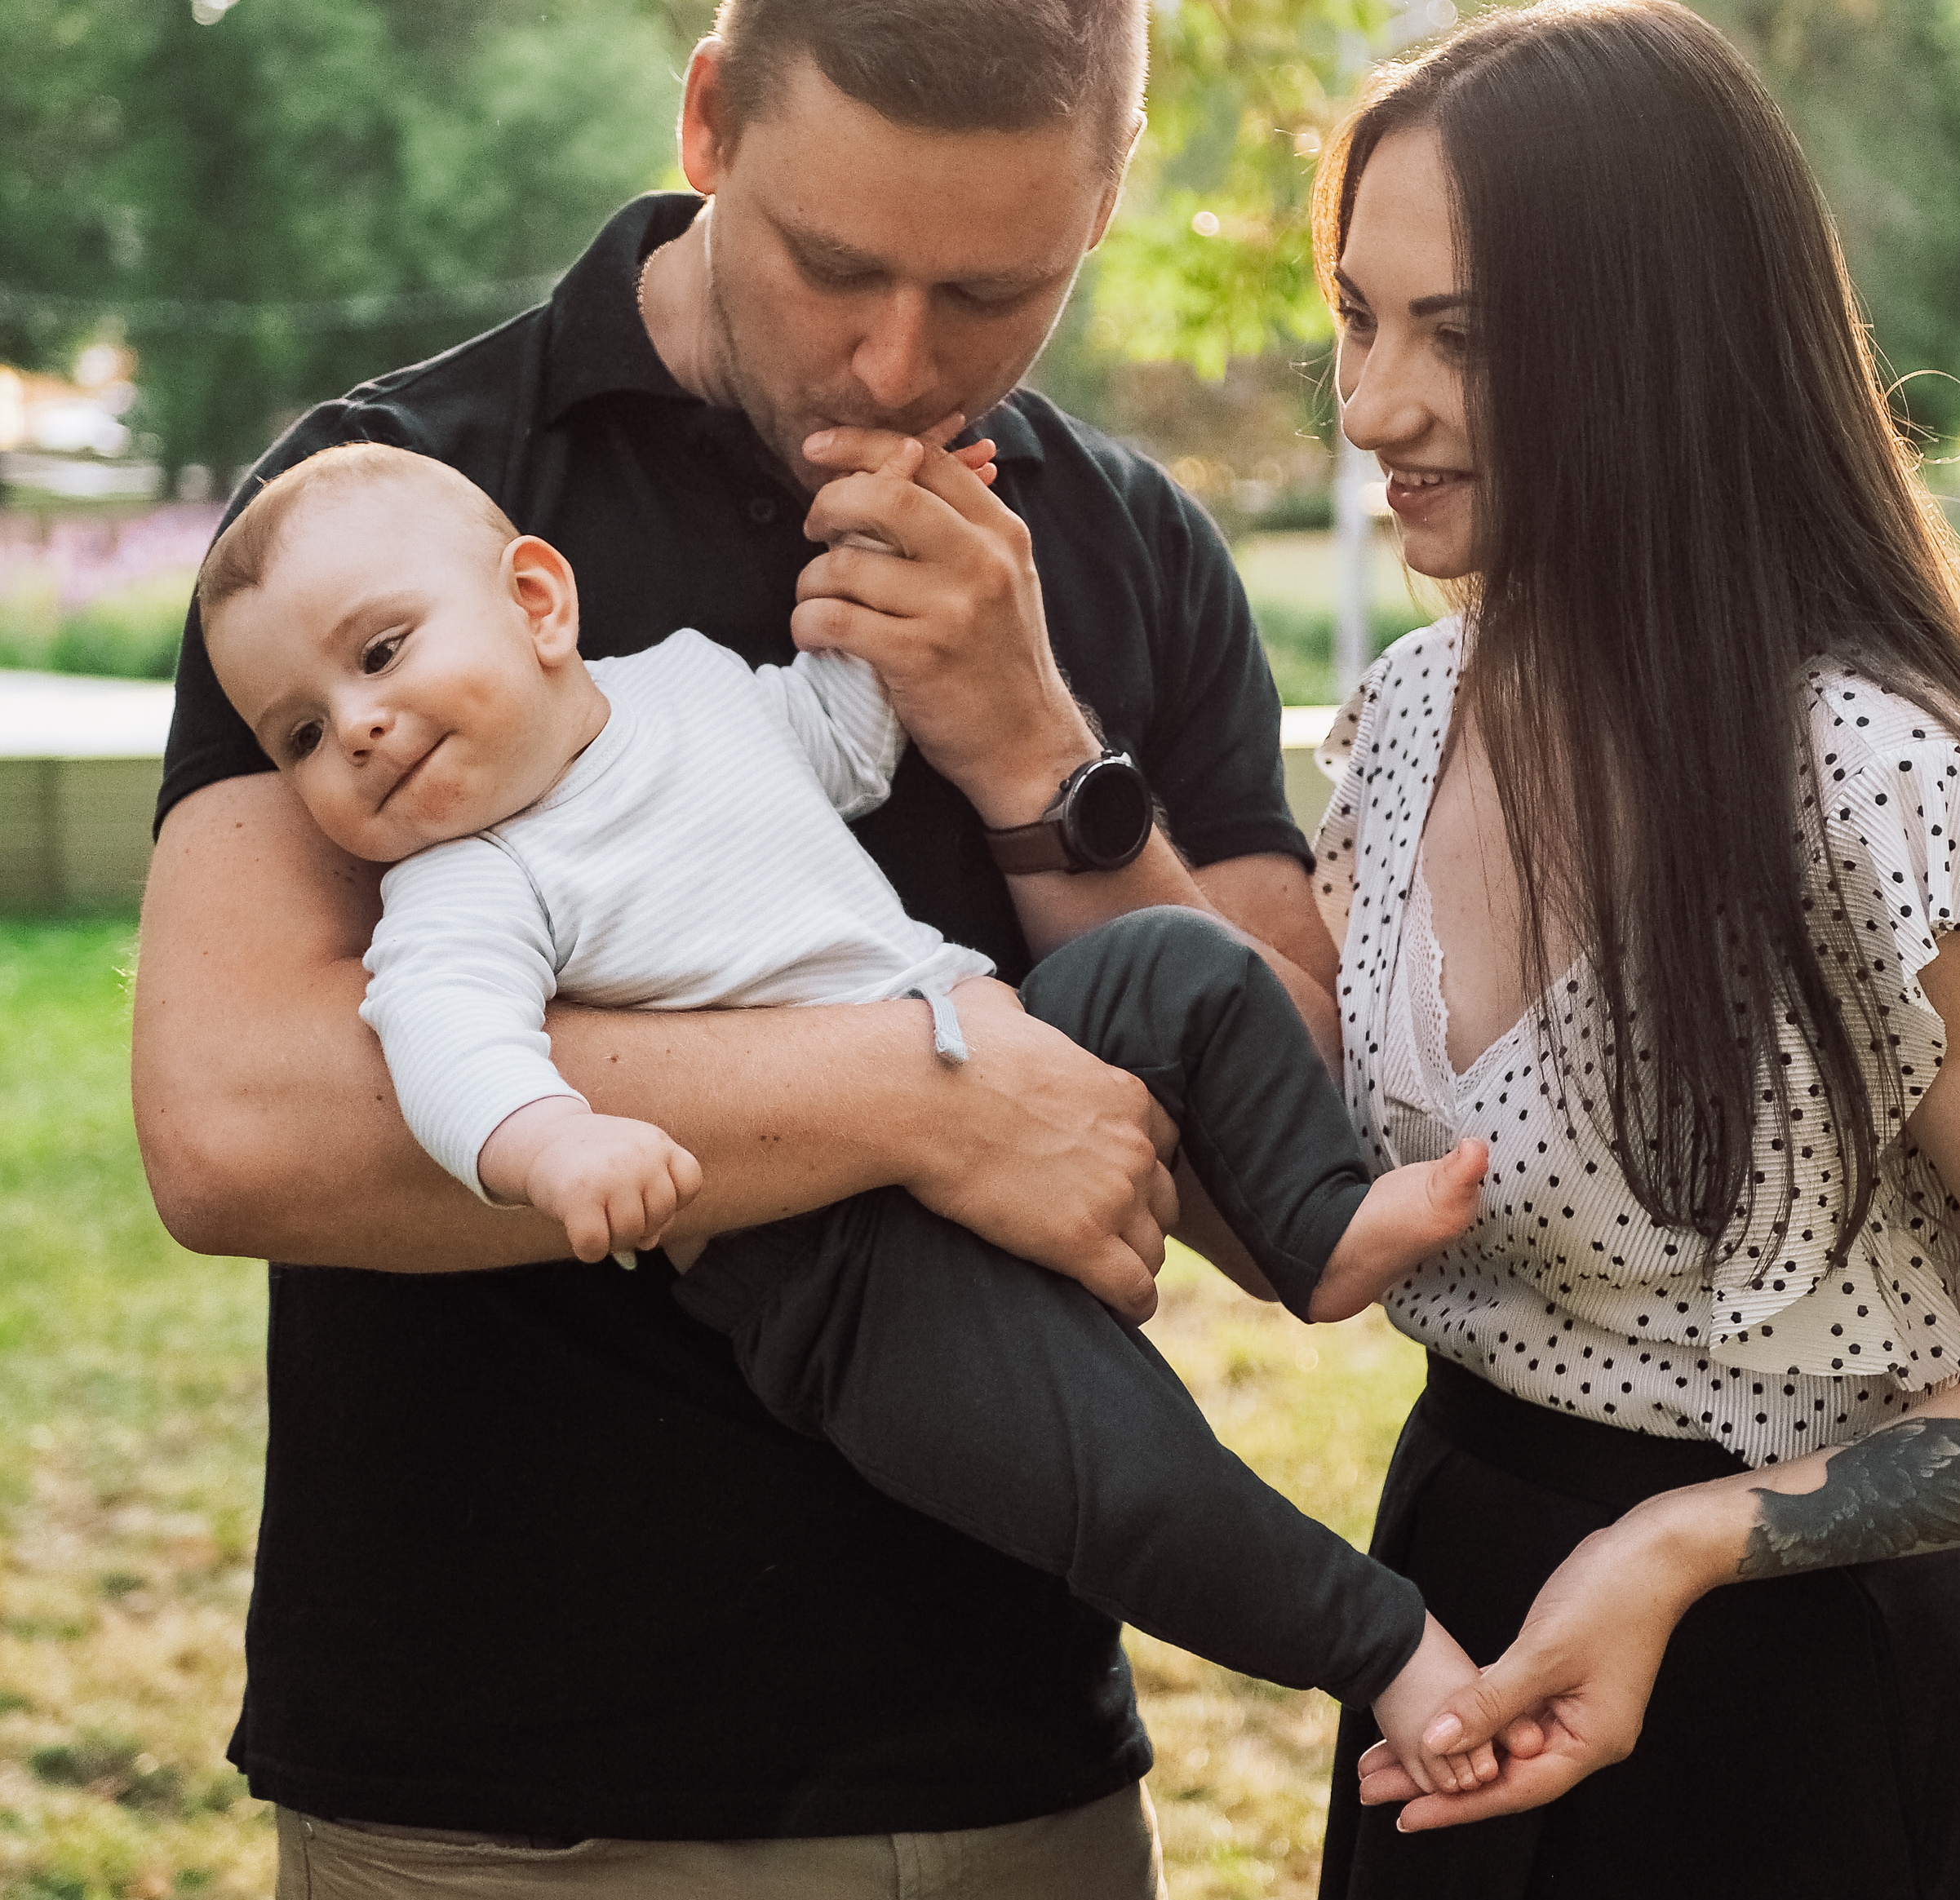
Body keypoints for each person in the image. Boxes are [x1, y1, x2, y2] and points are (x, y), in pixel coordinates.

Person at [132, 0, 1406, 1900]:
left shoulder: (1130, 545)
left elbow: (1294, 1173)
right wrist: (914, 1090)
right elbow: (239, 1117)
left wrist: (1037, 753)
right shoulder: (391, 521)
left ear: (1103, 207)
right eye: (835, 266)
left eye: (996, 293)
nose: (896, 361)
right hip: (522, 1843)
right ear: (710, 118)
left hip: (1021, 1806)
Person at [1279, 0, 1960, 1900]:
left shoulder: (1871, 784)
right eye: (1354, 318)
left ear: (1658, 344)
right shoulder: (1413, 711)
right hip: (1453, 1633)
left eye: (1459, 336)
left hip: (1796, 1739)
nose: (1373, 402)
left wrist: (1693, 1540)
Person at [190, 433, 1499, 1742]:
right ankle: (1387, 1646)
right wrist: (551, 1145)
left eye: (380, 653)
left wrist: (892, 559)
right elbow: (444, 1045)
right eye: (300, 734)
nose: (355, 727)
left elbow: (844, 737)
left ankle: (1317, 1227)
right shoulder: (464, 886)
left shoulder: (688, 684)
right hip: (840, 1262)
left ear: (537, 602)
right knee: (1124, 1474)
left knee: (1181, 961)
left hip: (998, 1033)